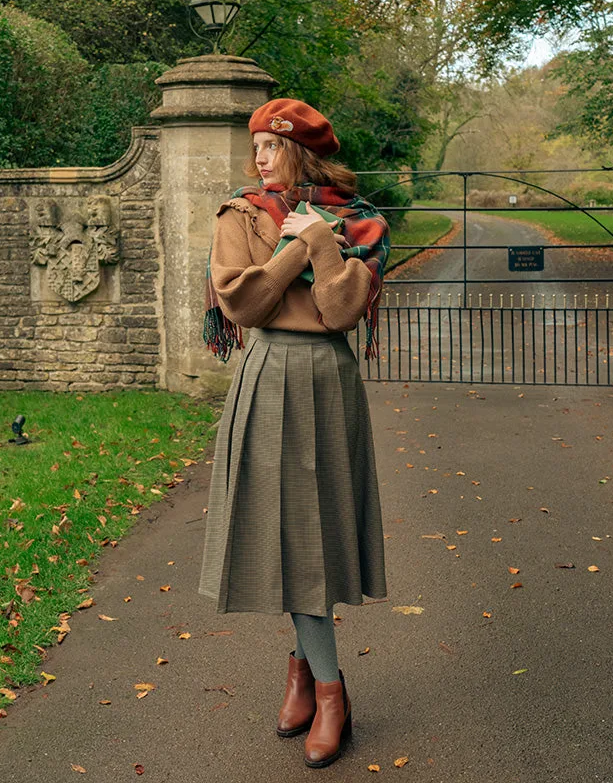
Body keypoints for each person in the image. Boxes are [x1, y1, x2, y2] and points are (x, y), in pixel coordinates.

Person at [199, 97, 390, 769]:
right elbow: (246, 303)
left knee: (314, 534)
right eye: (255, 146)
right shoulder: (241, 214)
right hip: (269, 371)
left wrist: (320, 245)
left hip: (330, 380)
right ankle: (327, 688)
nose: (258, 159)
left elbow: (340, 312)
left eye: (271, 148)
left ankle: (308, 676)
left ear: (302, 153)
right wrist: (298, 247)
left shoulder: (362, 224)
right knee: (287, 535)